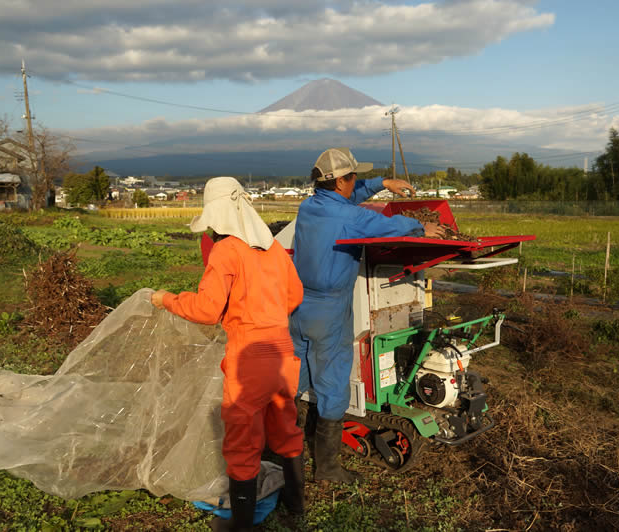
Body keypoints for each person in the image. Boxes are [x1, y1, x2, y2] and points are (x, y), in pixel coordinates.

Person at [151, 177, 305, 532]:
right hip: (281, 349)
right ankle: (297, 506)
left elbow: (206, 309)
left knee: (242, 440)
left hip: (249, 355)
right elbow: (294, 295)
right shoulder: (273, 249)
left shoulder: (226, 251)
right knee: (285, 425)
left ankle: (240, 523)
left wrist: (167, 299)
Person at [290, 148, 446, 484]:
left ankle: (283, 450)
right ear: (343, 181)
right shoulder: (350, 218)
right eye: (354, 177)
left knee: (296, 375)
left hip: (299, 304)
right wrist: (422, 227)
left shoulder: (309, 207)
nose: (356, 182)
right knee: (332, 383)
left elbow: (345, 200)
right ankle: (328, 470)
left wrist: (382, 183)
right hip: (330, 309)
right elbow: (380, 224)